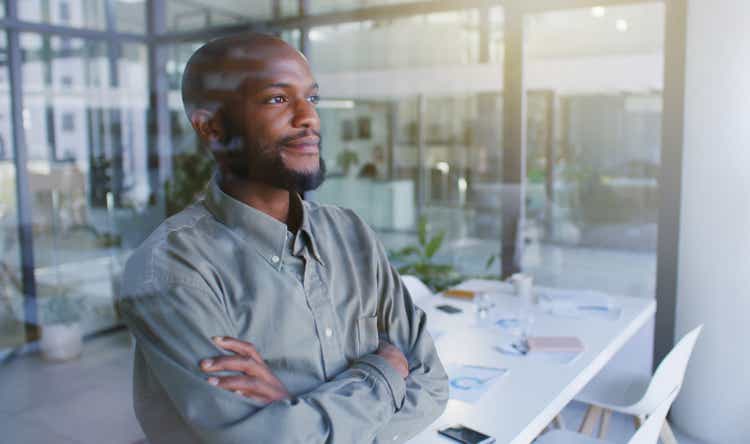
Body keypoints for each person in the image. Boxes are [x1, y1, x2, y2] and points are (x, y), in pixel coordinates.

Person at [117, 32, 448, 444]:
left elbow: (432, 383)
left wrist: (297, 413)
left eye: (312, 98)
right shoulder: (172, 269)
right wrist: (380, 374)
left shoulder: (352, 235)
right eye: (277, 98)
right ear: (211, 126)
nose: (308, 117)